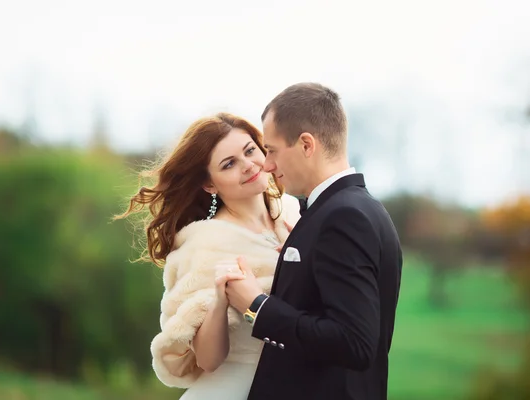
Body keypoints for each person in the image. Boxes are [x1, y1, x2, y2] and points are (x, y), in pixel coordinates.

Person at [225, 82, 403, 400]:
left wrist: (256, 307)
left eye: (272, 150)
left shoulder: (343, 217)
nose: (267, 165)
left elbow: (354, 342)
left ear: (307, 145)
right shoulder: (362, 209)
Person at [115, 112, 300, 399]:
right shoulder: (205, 245)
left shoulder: (295, 212)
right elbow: (208, 361)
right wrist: (218, 301)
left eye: (250, 150)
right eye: (229, 164)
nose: (249, 165)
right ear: (210, 185)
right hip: (236, 388)